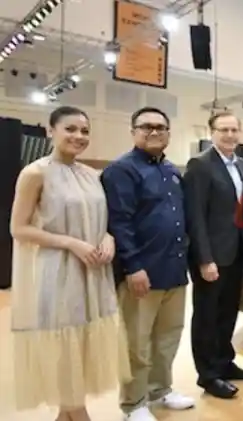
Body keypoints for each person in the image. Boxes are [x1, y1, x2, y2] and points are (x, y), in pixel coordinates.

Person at [9, 106, 130, 421]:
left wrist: (108, 239)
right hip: (58, 272)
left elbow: (100, 221)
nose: (79, 136)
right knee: (65, 347)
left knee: (83, 349)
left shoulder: (92, 175)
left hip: (93, 271)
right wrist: (71, 243)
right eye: (70, 129)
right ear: (51, 131)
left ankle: (68, 414)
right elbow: (18, 228)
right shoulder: (35, 173)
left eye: (85, 131)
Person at [101, 107, 194, 421]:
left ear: (168, 133)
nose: (154, 132)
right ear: (133, 132)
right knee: (136, 343)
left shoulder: (171, 170)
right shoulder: (121, 170)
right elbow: (119, 222)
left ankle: (160, 389)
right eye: (146, 127)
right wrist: (133, 266)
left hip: (174, 270)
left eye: (160, 127)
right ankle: (134, 403)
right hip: (142, 272)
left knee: (168, 338)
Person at [183, 111, 243, 399]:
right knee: (207, 316)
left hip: (235, 251)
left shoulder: (240, 164)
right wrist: (204, 259)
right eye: (223, 130)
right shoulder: (200, 165)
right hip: (211, 256)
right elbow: (195, 216)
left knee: (228, 312)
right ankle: (208, 375)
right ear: (212, 132)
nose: (229, 135)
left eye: (234, 130)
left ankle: (225, 362)